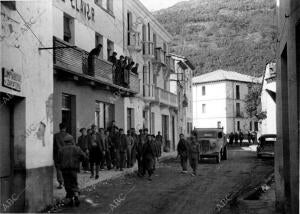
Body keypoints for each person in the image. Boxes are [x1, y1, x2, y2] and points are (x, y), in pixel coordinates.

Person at [57, 134, 87, 206]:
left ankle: (70, 200)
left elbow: (58, 160)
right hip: (74, 169)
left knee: (67, 184)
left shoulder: (61, 149)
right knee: (74, 183)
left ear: (65, 142)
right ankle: (76, 197)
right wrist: (79, 160)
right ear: (72, 141)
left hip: (64, 170)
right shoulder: (77, 148)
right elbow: (84, 156)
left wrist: (61, 166)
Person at [53, 123, 68, 189]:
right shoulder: (68, 135)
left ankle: (60, 183)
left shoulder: (56, 135)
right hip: (66, 154)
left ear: (59, 128)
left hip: (58, 154)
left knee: (58, 169)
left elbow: (53, 146)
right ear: (65, 128)